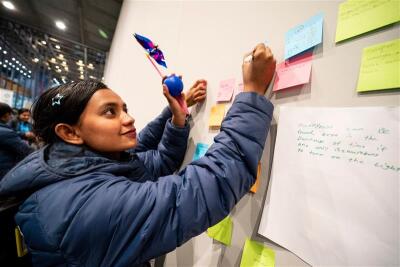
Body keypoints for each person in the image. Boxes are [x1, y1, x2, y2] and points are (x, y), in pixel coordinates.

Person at [0, 43, 276, 267]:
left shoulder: (70, 164)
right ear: (70, 133)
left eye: (124, 108)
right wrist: (252, 94)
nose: (129, 119)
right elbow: (200, 190)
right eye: (110, 112)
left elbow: (149, 162)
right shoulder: (87, 207)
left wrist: (175, 115)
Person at [0, 103, 34, 179]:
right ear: (5, 115)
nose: (26, 117)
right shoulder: (10, 126)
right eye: (24, 115)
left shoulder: (29, 125)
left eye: (28, 115)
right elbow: (26, 150)